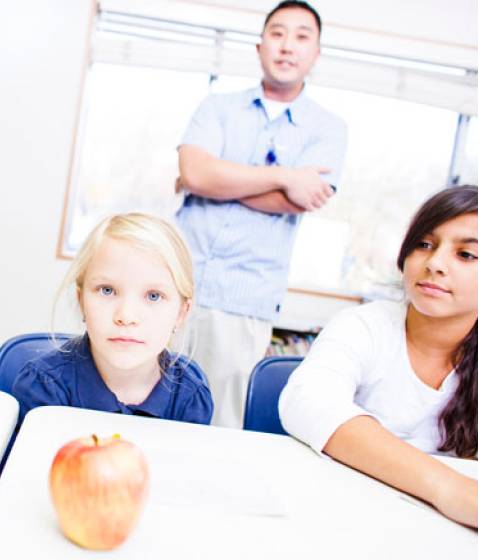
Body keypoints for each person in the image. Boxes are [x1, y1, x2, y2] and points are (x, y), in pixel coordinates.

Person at [280, 186, 478, 557]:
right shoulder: (364, 325)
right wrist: (458, 491)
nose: (436, 263)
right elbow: (308, 402)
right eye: (425, 245)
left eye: (466, 254)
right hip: (334, 514)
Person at [175, 0, 347, 428]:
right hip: (176, 285)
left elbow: (298, 200)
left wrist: (221, 179)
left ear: (316, 54)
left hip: (245, 301)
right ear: (260, 46)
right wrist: (286, 175)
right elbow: (195, 171)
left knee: (221, 423)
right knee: (148, 405)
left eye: (302, 36)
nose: (288, 46)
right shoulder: (217, 107)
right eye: (278, 33)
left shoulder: (328, 129)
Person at [12, 213, 213, 424]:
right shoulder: (43, 388)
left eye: (153, 296)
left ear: (181, 313)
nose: (126, 316)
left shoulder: (191, 395)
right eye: (107, 290)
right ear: (81, 302)